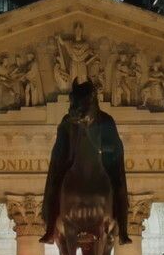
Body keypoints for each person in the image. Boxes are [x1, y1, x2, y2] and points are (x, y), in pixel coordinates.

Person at [41, 80, 130, 245]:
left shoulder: (106, 121)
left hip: (104, 161)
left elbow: (115, 147)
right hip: (71, 160)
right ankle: (50, 226)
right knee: (54, 180)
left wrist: (98, 144)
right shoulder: (68, 121)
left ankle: (123, 229)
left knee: (118, 184)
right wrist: (60, 157)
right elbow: (60, 145)